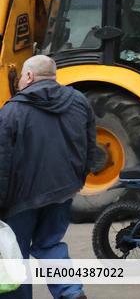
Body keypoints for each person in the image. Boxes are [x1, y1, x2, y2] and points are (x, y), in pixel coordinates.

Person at [0, 55, 97, 299]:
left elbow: (3, 161)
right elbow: (90, 143)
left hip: (21, 198)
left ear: (29, 76)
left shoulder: (13, 110)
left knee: (16, 254)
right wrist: (79, 179)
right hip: (63, 189)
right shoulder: (79, 101)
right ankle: (71, 292)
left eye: (21, 76)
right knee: (49, 243)